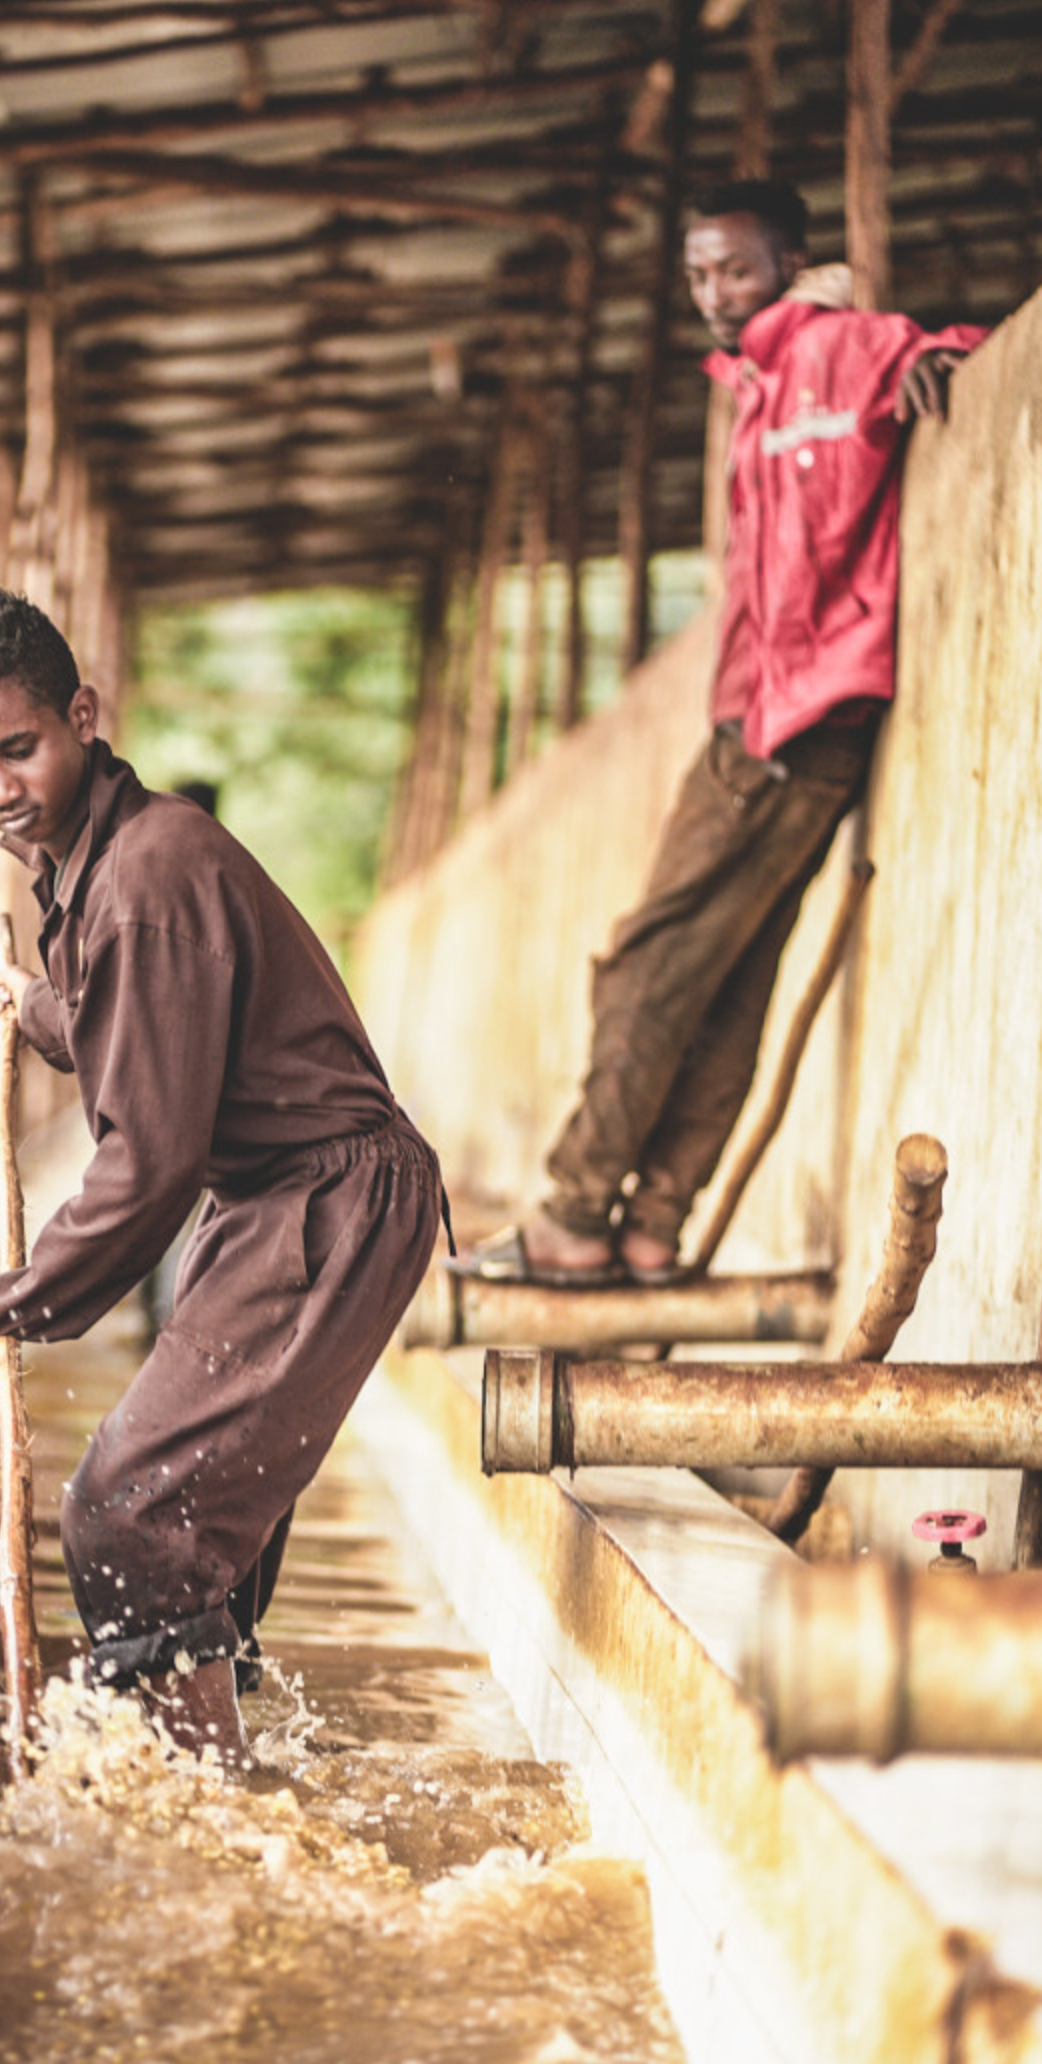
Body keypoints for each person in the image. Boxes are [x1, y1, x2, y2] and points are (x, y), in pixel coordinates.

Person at [0, 589, 442, 1763]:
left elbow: (150, 1162)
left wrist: (22, 1293)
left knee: (131, 1511)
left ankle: (202, 1810)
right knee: (187, 1520)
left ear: (82, 717)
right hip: (279, 1205)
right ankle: (217, 1773)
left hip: (326, 1205)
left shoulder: (146, 877)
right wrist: (35, 1006)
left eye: (19, 748)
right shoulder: (95, 867)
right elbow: (118, 1018)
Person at [457, 178, 987, 1287]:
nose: (711, 293)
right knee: (731, 977)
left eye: (733, 270)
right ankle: (652, 1224)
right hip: (775, 716)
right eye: (697, 274)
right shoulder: (750, 384)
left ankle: (570, 1210)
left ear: (787, 262)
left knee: (645, 965)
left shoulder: (837, 347)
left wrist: (934, 361)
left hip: (788, 725)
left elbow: (934, 351)